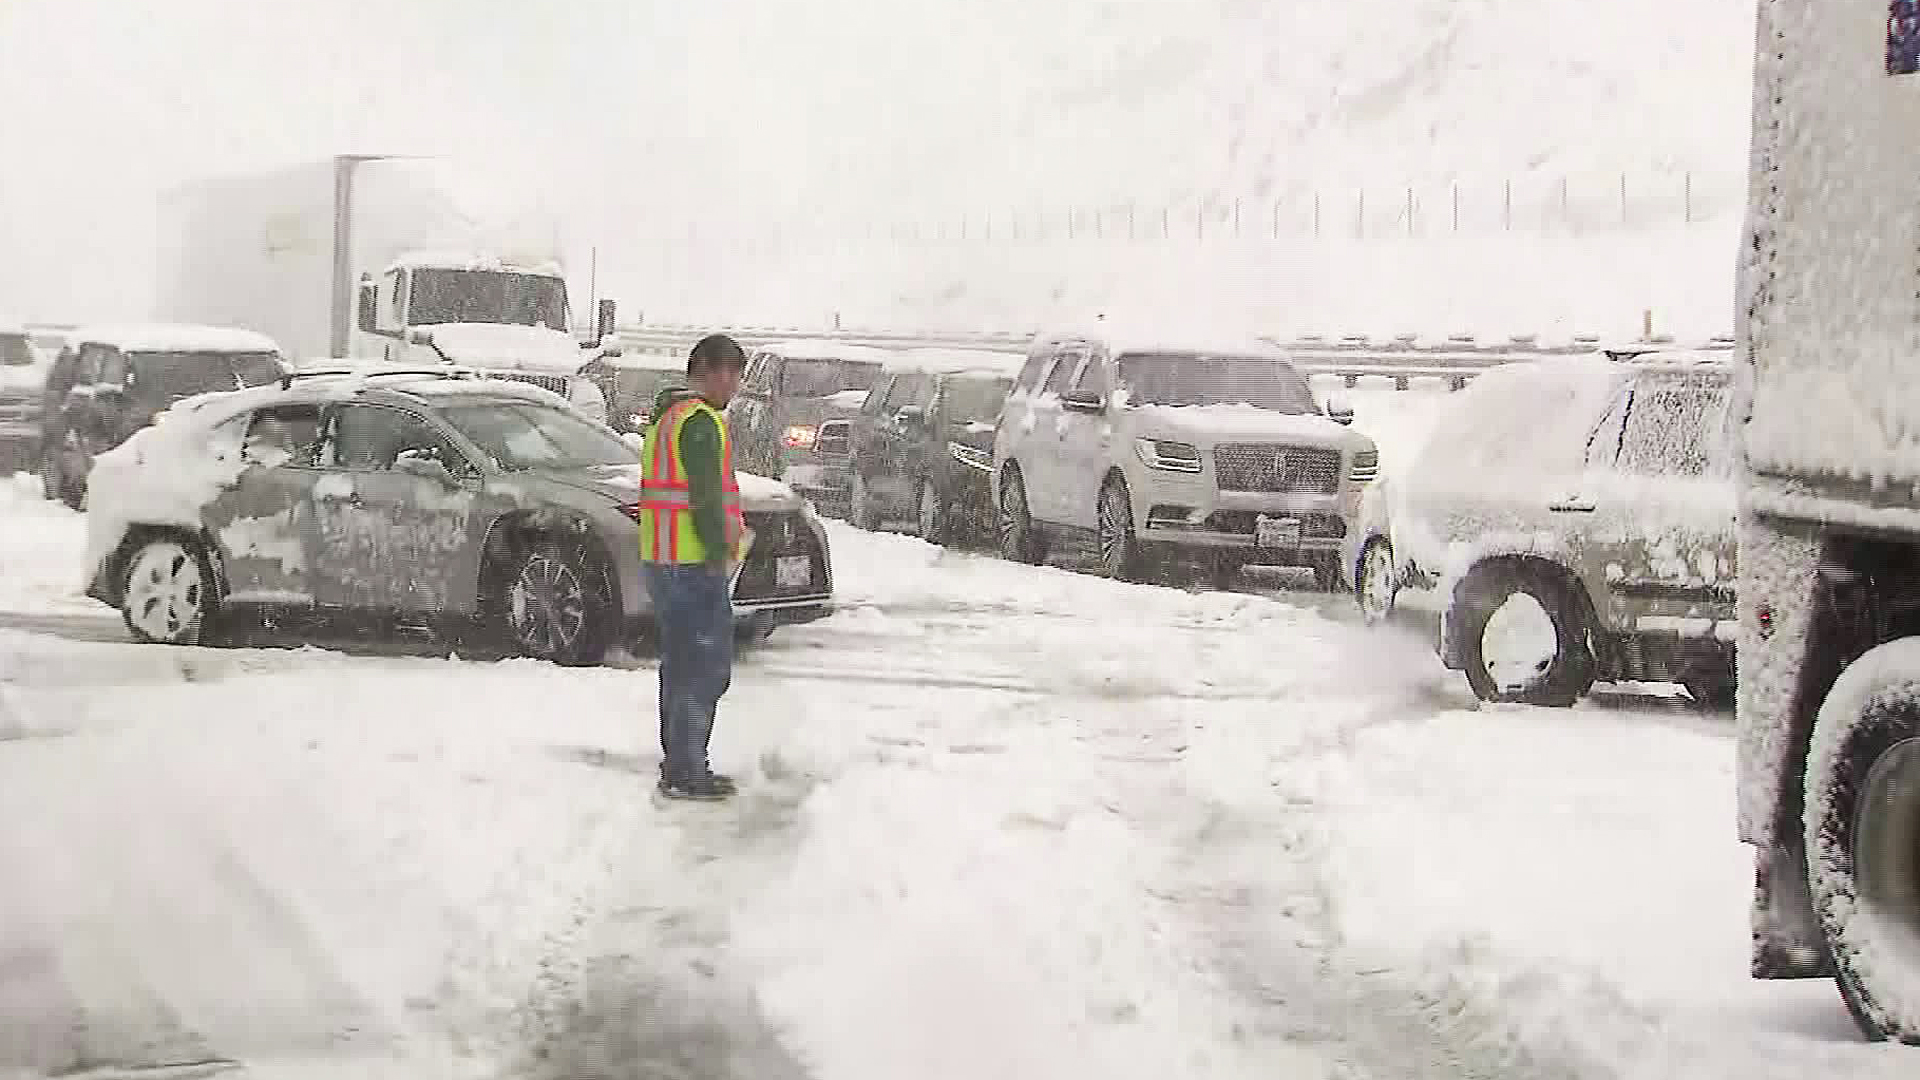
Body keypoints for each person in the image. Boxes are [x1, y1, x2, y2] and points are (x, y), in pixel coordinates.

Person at [636, 333, 750, 800]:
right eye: (734, 374)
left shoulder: (668, 415)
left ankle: (678, 762)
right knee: (704, 667)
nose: (736, 387)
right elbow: (704, 499)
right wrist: (722, 548)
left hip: (664, 560)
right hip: (693, 563)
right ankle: (687, 769)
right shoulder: (700, 423)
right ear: (711, 371)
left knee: (680, 665)